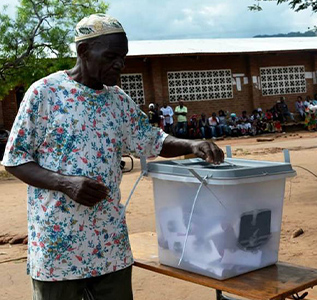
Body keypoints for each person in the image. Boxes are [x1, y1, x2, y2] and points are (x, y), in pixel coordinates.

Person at [1, 14, 224, 300]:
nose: (119, 63)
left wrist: (191, 145)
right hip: (58, 247)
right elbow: (15, 158)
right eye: (110, 56)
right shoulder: (45, 93)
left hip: (109, 244)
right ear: (83, 51)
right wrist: (65, 183)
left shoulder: (118, 100)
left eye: (123, 56)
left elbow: (152, 140)